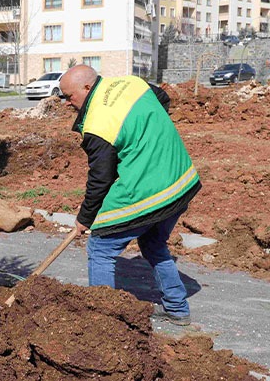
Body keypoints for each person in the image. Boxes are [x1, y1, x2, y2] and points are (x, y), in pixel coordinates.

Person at [60, 65, 201, 326]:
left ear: (87, 88)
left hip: (149, 190)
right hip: (182, 178)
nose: (68, 103)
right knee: (153, 243)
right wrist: (148, 139)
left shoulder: (97, 124)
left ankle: (103, 324)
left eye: (69, 96)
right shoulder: (131, 84)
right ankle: (177, 309)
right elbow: (162, 98)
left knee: (100, 247)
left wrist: (85, 219)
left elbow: (100, 179)